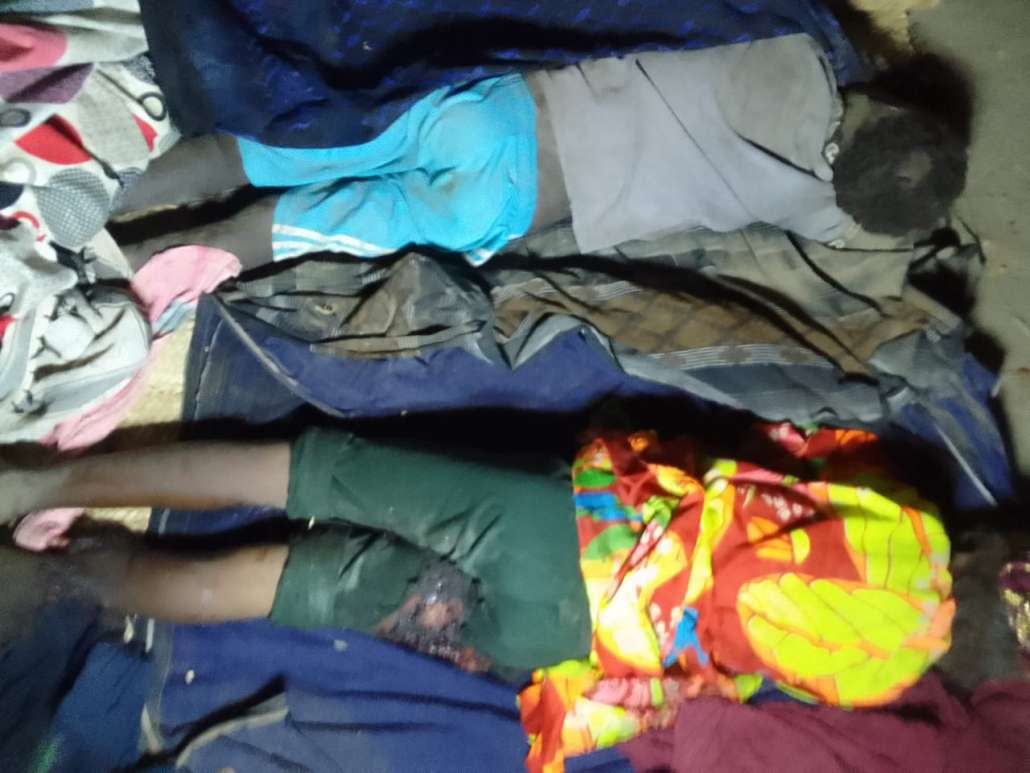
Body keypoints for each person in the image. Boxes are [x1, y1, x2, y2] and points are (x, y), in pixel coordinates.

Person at [0, 420, 955, 770]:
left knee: (306, 472)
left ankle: (39, 484)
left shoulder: (917, 533)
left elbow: (797, 453)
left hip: (573, 537)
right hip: (565, 649)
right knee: (297, 582)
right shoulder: (886, 668)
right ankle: (63, 571)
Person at [116, 36, 970, 271]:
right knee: (301, 225)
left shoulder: (790, 44)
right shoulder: (821, 210)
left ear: (887, 98)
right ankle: (145, 270)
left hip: (496, 110)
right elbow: (870, 224)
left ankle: (95, 201)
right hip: (507, 209)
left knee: (265, 153)